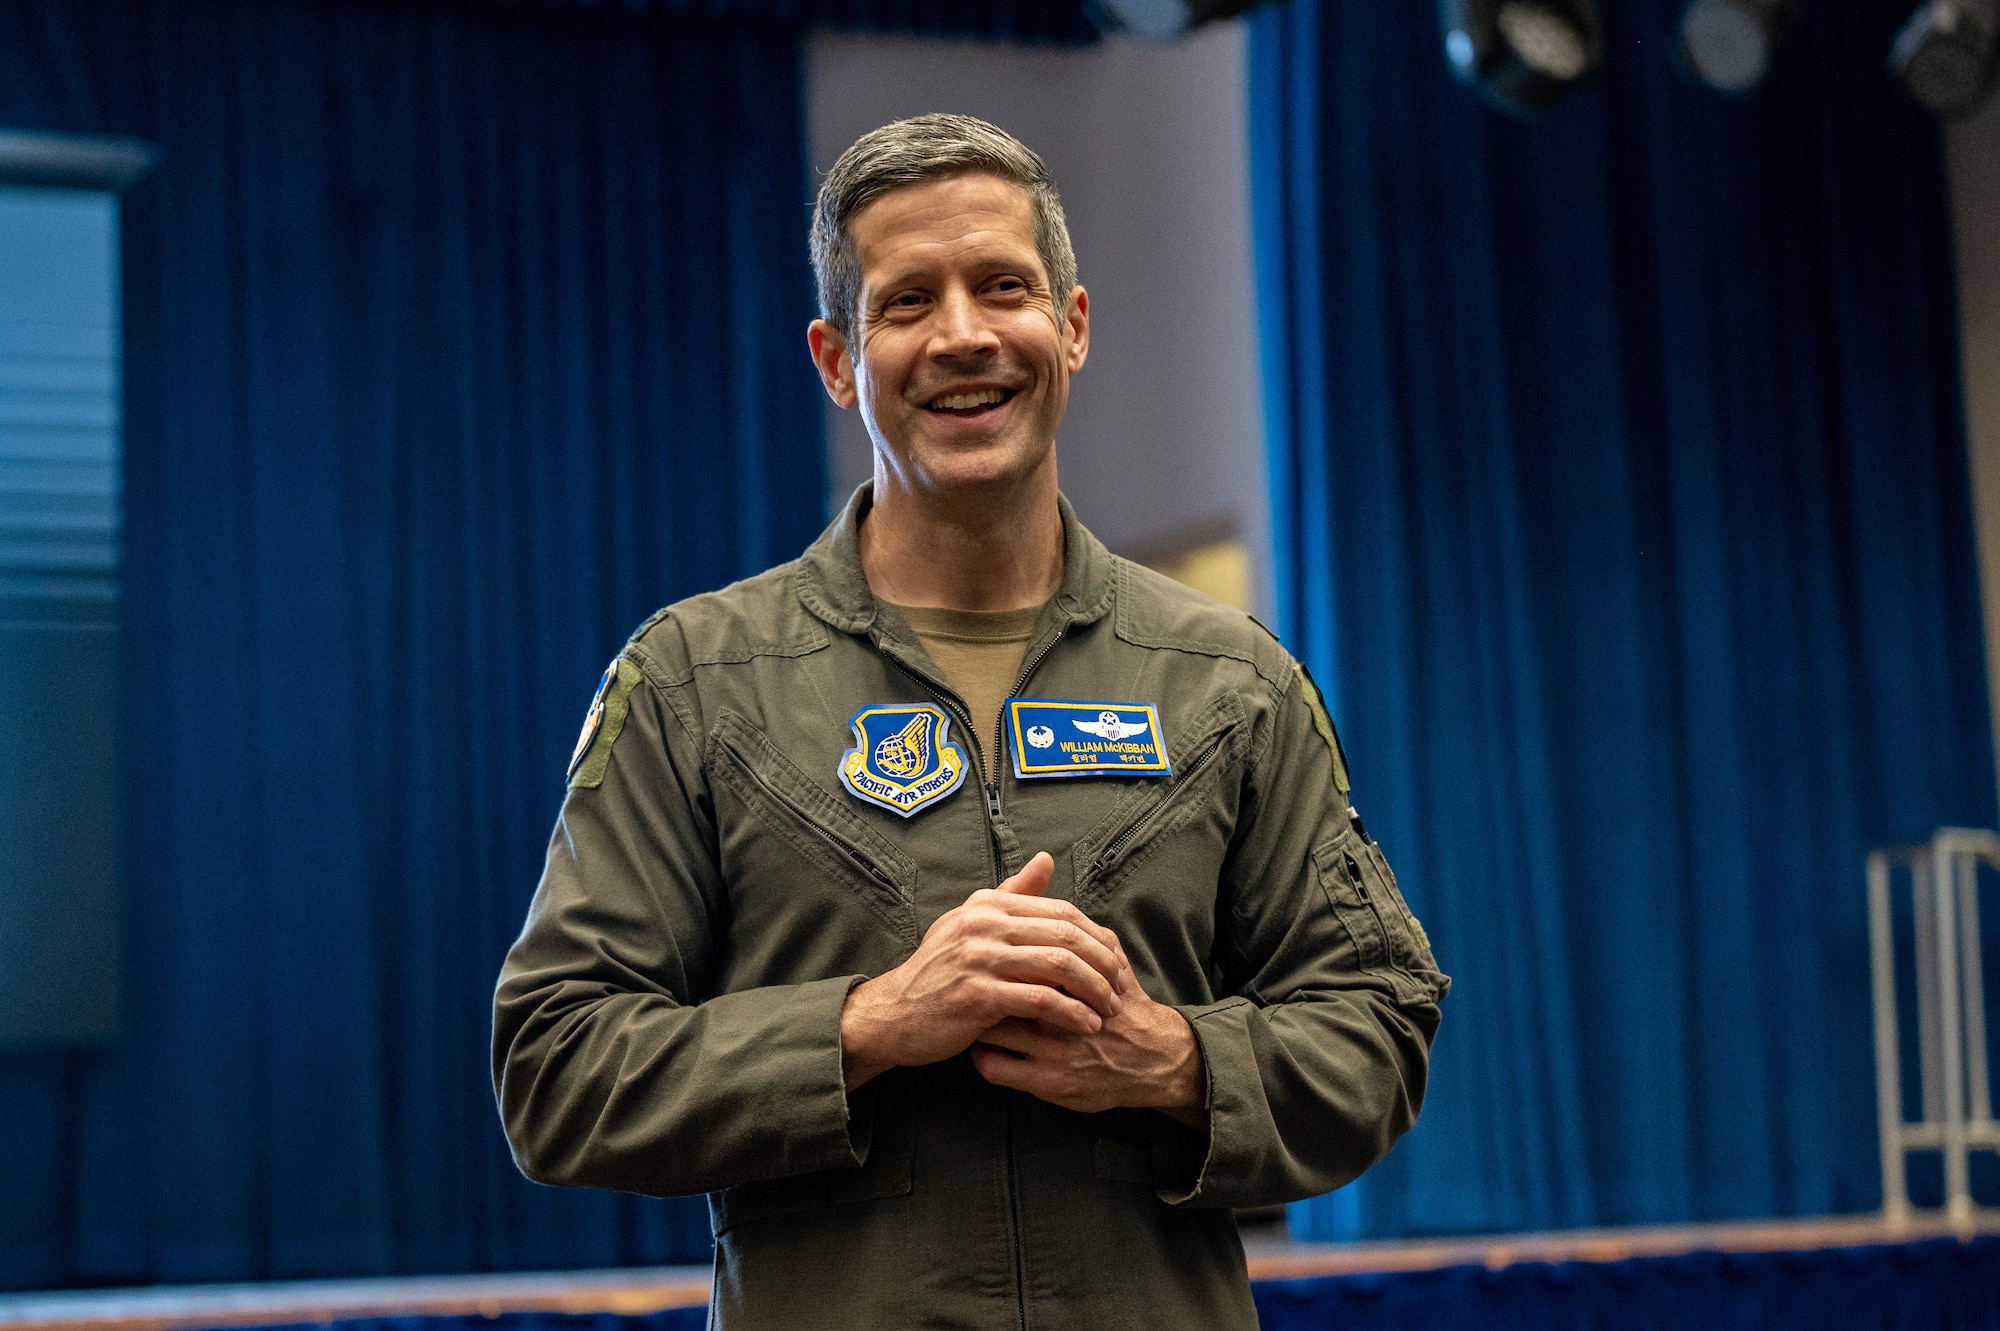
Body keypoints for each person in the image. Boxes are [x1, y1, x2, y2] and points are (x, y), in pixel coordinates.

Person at [492, 113, 1447, 1330]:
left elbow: (1374, 1018)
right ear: (837, 360)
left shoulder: (1227, 680)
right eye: (905, 301)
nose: (962, 335)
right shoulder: (696, 681)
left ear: (1073, 326)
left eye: (1002, 286)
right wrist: (870, 1022)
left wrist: (1172, 1060)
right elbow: (555, 1066)